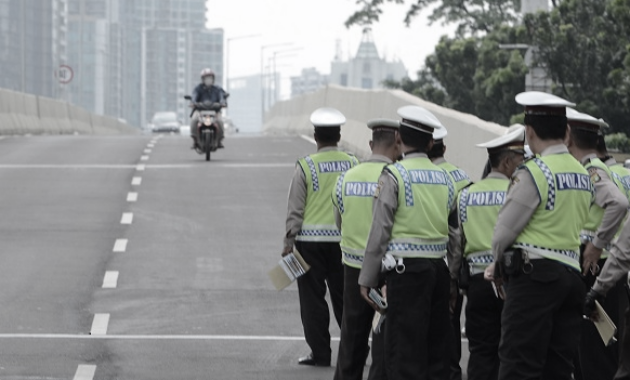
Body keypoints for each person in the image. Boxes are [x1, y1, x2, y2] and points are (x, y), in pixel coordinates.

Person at [487, 91, 593, 380]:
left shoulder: (534, 172)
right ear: (567, 131)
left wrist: (496, 265)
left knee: (518, 364)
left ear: (529, 132)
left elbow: (502, 234)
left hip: (535, 280)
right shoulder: (582, 174)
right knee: (557, 368)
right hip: (571, 278)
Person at [359, 105, 456, 380]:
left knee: (404, 353)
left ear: (399, 139)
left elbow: (379, 231)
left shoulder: (394, 176)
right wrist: (452, 278)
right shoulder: (446, 179)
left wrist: (367, 277)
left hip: (406, 275)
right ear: (430, 143)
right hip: (438, 271)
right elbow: (455, 233)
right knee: (436, 353)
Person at [282, 107, 358, 367]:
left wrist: (288, 242)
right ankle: (355, 350)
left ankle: (321, 354)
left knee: (312, 301)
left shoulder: (305, 165)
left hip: (309, 244)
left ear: (315, 136)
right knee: (345, 299)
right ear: (339, 135)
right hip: (343, 243)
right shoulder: (353, 164)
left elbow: (295, 208)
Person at [332, 118, 400, 380]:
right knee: (384, 335)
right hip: (388, 267)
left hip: (352, 266)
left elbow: (340, 219)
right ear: (397, 142)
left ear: (371, 144)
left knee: (352, 336)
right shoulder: (397, 177)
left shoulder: (346, 178)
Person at [565, 108, 629, 380]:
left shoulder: (591, 169)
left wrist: (596, 244)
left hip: (596, 265)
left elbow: (618, 203)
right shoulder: (587, 168)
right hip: (599, 265)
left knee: (595, 350)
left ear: (568, 136)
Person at [457, 125, 525, 380]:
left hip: (477, 283)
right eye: (520, 159)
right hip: (511, 280)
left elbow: (457, 244)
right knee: (510, 349)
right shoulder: (517, 193)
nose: (523, 165)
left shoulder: (466, 195)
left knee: (481, 350)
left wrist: (456, 283)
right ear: (507, 162)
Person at [428, 125, 471, 380]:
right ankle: (452, 370)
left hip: (426, 257)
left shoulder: (416, 174)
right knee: (451, 317)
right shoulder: (462, 177)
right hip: (458, 259)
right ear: (444, 148)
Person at [189, 68, 226, 149]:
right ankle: (195, 140)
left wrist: (222, 103)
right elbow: (194, 96)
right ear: (202, 79)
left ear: (213, 79)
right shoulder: (198, 88)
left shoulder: (217, 89)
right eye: (206, 78)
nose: (208, 80)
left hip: (215, 111)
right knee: (194, 120)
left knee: (220, 121)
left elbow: (221, 96)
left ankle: (219, 140)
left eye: (210, 78)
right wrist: (193, 102)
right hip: (200, 111)